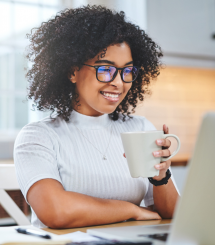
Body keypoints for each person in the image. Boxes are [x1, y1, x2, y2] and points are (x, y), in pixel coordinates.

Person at [14, 5, 179, 229]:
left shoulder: (140, 127)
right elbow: (56, 211)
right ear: (72, 71)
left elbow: (170, 215)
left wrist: (161, 177)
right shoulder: (39, 136)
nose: (119, 82)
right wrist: (131, 210)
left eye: (127, 71)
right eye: (105, 69)